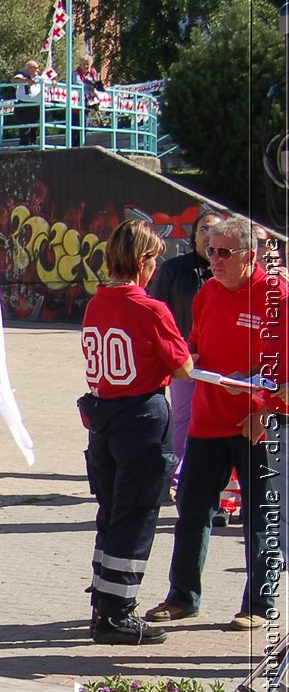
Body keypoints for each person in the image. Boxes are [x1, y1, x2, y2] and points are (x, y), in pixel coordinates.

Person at [148, 216, 289, 631]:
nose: (215, 260)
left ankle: (260, 605)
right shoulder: (207, 293)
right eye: (210, 250)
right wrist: (189, 364)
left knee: (261, 515)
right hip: (209, 421)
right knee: (192, 510)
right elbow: (197, 345)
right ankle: (182, 597)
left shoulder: (276, 296)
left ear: (251, 254)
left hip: (260, 424)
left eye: (225, 252)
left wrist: (263, 409)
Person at [79, 220, 193, 645]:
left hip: (103, 416)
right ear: (143, 261)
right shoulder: (150, 309)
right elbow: (182, 367)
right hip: (141, 415)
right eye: (154, 260)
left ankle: (102, 602)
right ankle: (117, 613)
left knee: (110, 512)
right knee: (137, 515)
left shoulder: (96, 304)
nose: (156, 268)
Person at [149, 210, 223, 496]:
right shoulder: (174, 269)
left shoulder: (228, 272)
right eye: (203, 229)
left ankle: (220, 480)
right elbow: (157, 312)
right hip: (184, 358)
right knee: (183, 416)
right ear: (193, 235)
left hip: (221, 359)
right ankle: (178, 477)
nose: (208, 235)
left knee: (219, 418)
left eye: (215, 230)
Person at [10, 60, 42, 133]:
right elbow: (14, 80)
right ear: (29, 68)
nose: (38, 70)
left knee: (34, 129)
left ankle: (33, 143)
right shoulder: (22, 75)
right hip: (24, 106)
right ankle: (24, 144)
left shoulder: (39, 78)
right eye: (36, 68)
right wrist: (26, 80)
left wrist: (53, 81)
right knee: (24, 129)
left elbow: (48, 80)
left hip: (36, 106)